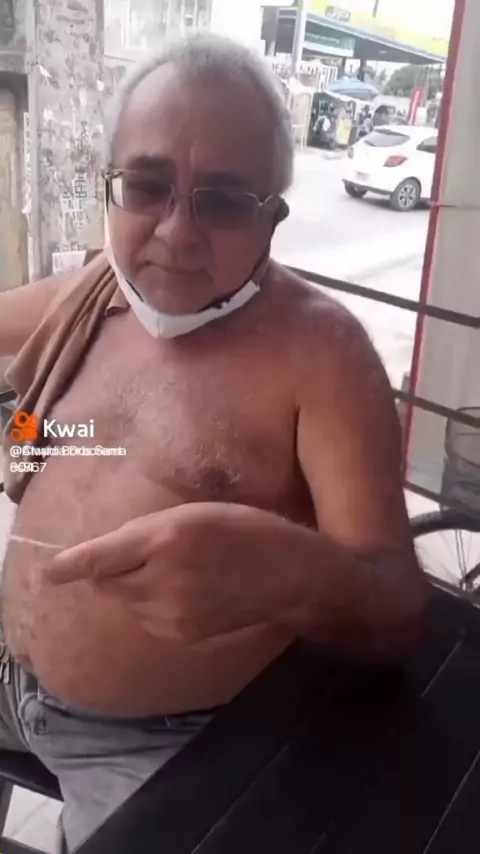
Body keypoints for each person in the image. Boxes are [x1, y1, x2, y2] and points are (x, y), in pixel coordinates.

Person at [0, 33, 427, 852]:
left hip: (156, 744)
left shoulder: (324, 358)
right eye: (147, 186)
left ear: (274, 217)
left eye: (224, 201)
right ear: (111, 185)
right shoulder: (93, 292)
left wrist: (292, 572)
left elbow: (401, 608)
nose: (176, 233)